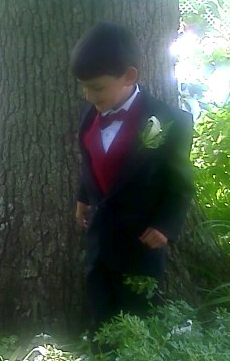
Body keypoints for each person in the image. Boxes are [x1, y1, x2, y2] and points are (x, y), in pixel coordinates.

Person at [71, 22, 195, 333]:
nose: (89, 96)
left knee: (139, 313)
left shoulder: (168, 122)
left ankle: (138, 359)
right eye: (84, 87)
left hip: (141, 242)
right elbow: (92, 159)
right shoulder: (90, 116)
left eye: (97, 88)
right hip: (100, 237)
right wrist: (84, 197)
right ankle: (102, 353)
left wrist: (166, 224)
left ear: (129, 76)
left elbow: (179, 183)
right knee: (101, 307)